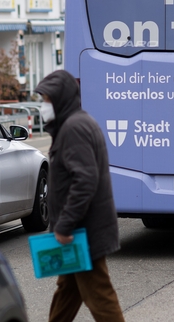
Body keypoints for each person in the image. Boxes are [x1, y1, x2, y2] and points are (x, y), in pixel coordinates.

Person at [34, 70, 125, 322]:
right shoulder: (75, 123)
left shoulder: (74, 128)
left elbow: (85, 180)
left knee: (100, 296)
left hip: (82, 232)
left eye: (47, 100)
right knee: (68, 291)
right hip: (79, 231)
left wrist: (64, 225)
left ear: (60, 98)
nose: (43, 106)